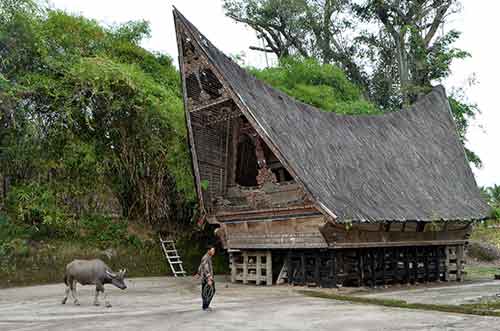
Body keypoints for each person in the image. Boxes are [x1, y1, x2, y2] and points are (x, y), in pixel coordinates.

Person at [196, 246, 216, 311]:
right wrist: (209, 279)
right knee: (208, 292)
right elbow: (205, 268)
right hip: (206, 278)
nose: (213, 252)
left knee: (207, 291)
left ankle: (205, 306)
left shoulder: (207, 257)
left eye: (214, 251)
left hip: (206, 277)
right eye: (212, 250)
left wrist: (198, 273)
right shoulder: (206, 258)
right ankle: (205, 306)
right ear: (208, 251)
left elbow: (200, 266)